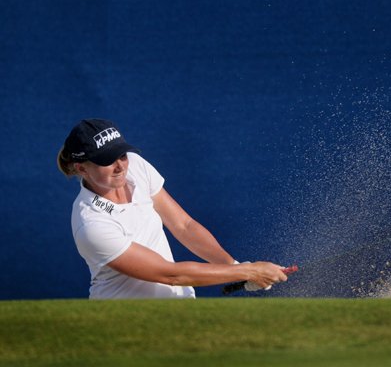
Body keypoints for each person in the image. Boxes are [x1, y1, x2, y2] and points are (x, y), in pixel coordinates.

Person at [57, 118, 287, 299]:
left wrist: (234, 266)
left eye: (122, 155)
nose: (120, 166)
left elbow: (183, 225)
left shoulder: (135, 166)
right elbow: (171, 274)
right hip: (126, 323)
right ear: (82, 169)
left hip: (180, 309)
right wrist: (249, 271)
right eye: (107, 160)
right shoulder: (91, 224)